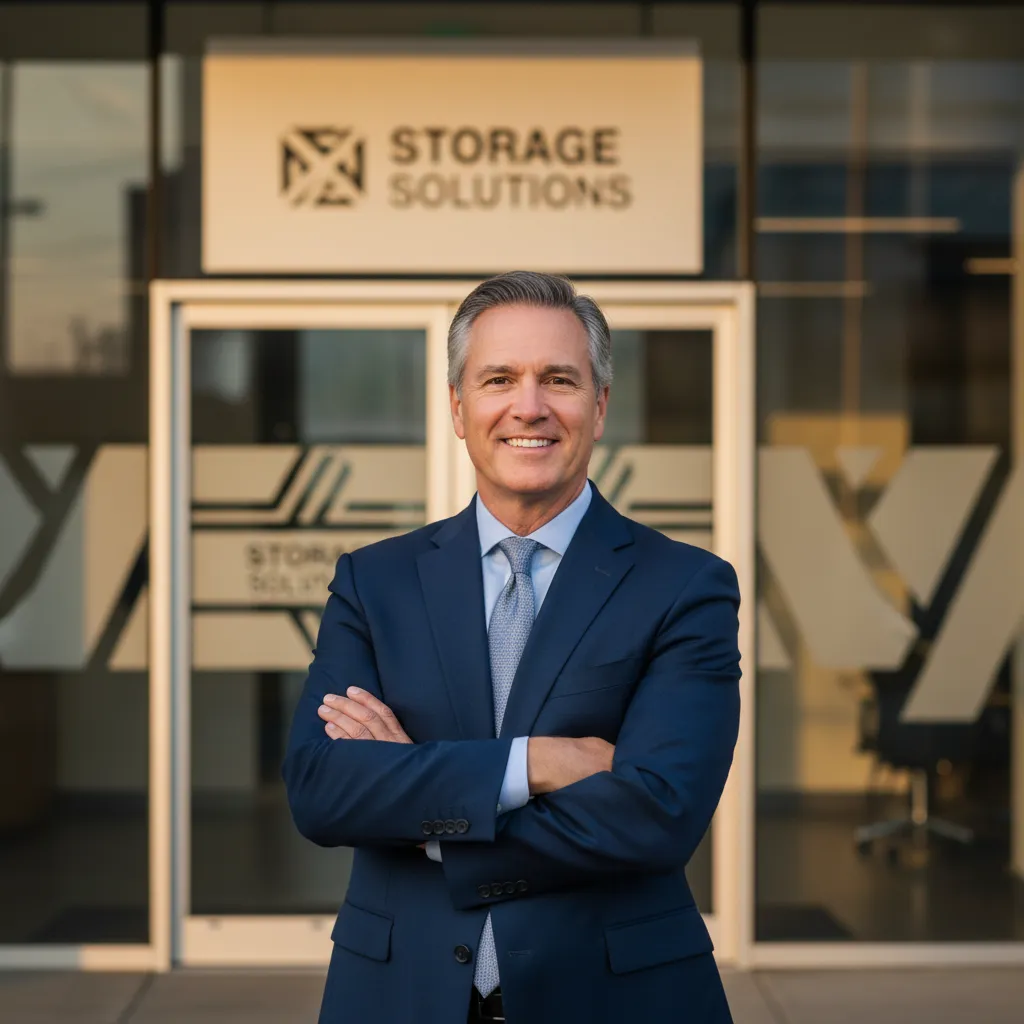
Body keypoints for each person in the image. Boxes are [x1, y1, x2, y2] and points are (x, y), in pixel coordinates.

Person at [283, 271, 741, 1024]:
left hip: (616, 998)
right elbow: (323, 788)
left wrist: (423, 808)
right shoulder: (375, 583)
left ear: (598, 407)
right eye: (499, 379)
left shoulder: (685, 586)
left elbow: (659, 813)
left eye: (558, 379)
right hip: (398, 996)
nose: (528, 406)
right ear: (460, 409)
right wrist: (534, 762)